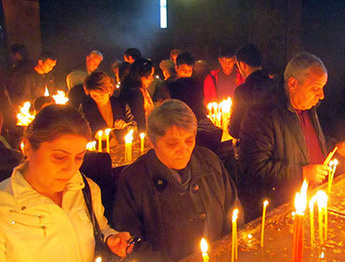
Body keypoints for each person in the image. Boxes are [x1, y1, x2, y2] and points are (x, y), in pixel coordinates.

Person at [112, 99, 241, 261]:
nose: (183, 150)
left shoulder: (209, 161)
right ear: (152, 142)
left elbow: (233, 213)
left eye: (189, 141)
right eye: (172, 144)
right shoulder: (134, 178)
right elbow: (130, 241)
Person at [0, 104, 132, 261]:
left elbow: (99, 228)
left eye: (78, 157)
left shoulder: (85, 188)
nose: (70, 169)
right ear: (28, 147)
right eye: (59, 157)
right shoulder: (4, 207)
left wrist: (110, 238)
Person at [238, 52, 330, 221]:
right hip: (282, 210)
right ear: (293, 84)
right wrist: (301, 174)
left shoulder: (308, 108)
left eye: (323, 88)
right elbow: (253, 168)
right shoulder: (263, 114)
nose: (321, 95)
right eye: (316, 88)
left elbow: (307, 144)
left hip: (312, 201)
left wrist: (337, 147)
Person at [229, 43, 276, 139]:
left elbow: (235, 131)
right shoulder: (275, 85)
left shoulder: (242, 91)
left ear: (242, 65)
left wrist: (228, 125)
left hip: (253, 146)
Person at [80, 72, 134, 144]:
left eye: (102, 95)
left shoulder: (121, 103)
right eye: (94, 96)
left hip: (122, 147)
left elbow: (133, 125)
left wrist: (125, 125)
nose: (99, 99)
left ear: (109, 91)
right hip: (100, 151)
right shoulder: (86, 108)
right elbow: (81, 132)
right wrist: (94, 135)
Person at [119, 58, 155, 131]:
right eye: (148, 77)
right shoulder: (135, 93)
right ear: (138, 76)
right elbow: (139, 120)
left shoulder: (142, 90)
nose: (152, 79)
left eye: (152, 75)